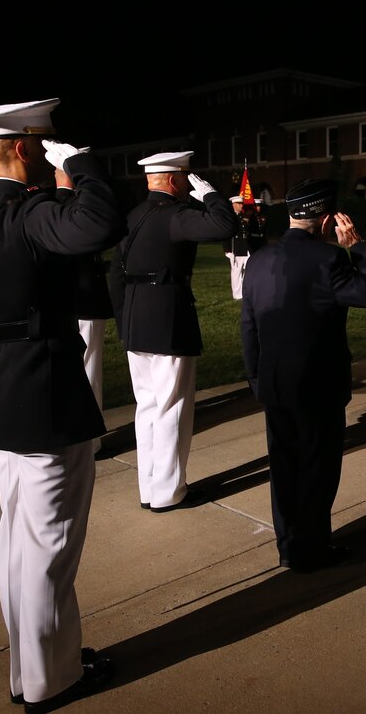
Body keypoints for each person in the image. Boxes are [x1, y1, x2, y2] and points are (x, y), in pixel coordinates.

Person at [0, 98, 124, 712]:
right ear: (27, 147)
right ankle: (53, 678)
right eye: (48, 140)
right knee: (48, 544)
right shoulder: (33, 214)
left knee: (16, 545)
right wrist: (80, 167)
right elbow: (102, 223)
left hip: (0, 393)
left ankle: (30, 669)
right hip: (45, 393)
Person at [240, 179, 366, 573]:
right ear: (326, 221)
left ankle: (290, 546)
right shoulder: (330, 260)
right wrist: (356, 245)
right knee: (317, 469)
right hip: (318, 383)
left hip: (274, 382)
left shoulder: (259, 260)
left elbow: (249, 326)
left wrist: (256, 379)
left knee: (284, 469)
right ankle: (313, 549)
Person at [109, 151, 236, 512]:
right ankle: (169, 492)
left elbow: (115, 276)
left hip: (135, 320)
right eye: (186, 178)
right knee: (172, 409)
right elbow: (225, 225)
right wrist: (210, 194)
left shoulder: (133, 216)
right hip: (167, 320)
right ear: (175, 180)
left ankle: (150, 488)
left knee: (147, 407)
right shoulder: (175, 215)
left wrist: (123, 324)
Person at [52, 151, 113, 455]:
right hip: (85, 300)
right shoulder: (80, 206)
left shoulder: (46, 206)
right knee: (89, 372)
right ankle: (91, 439)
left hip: (60, 303)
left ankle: (77, 433)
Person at [223, 194, 267, 300]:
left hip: (245, 248)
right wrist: (227, 250)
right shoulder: (230, 217)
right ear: (233, 204)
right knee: (236, 272)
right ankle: (237, 294)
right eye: (239, 204)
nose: (241, 205)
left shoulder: (242, 217)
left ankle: (245, 291)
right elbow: (226, 235)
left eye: (241, 203)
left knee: (248, 270)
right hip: (236, 249)